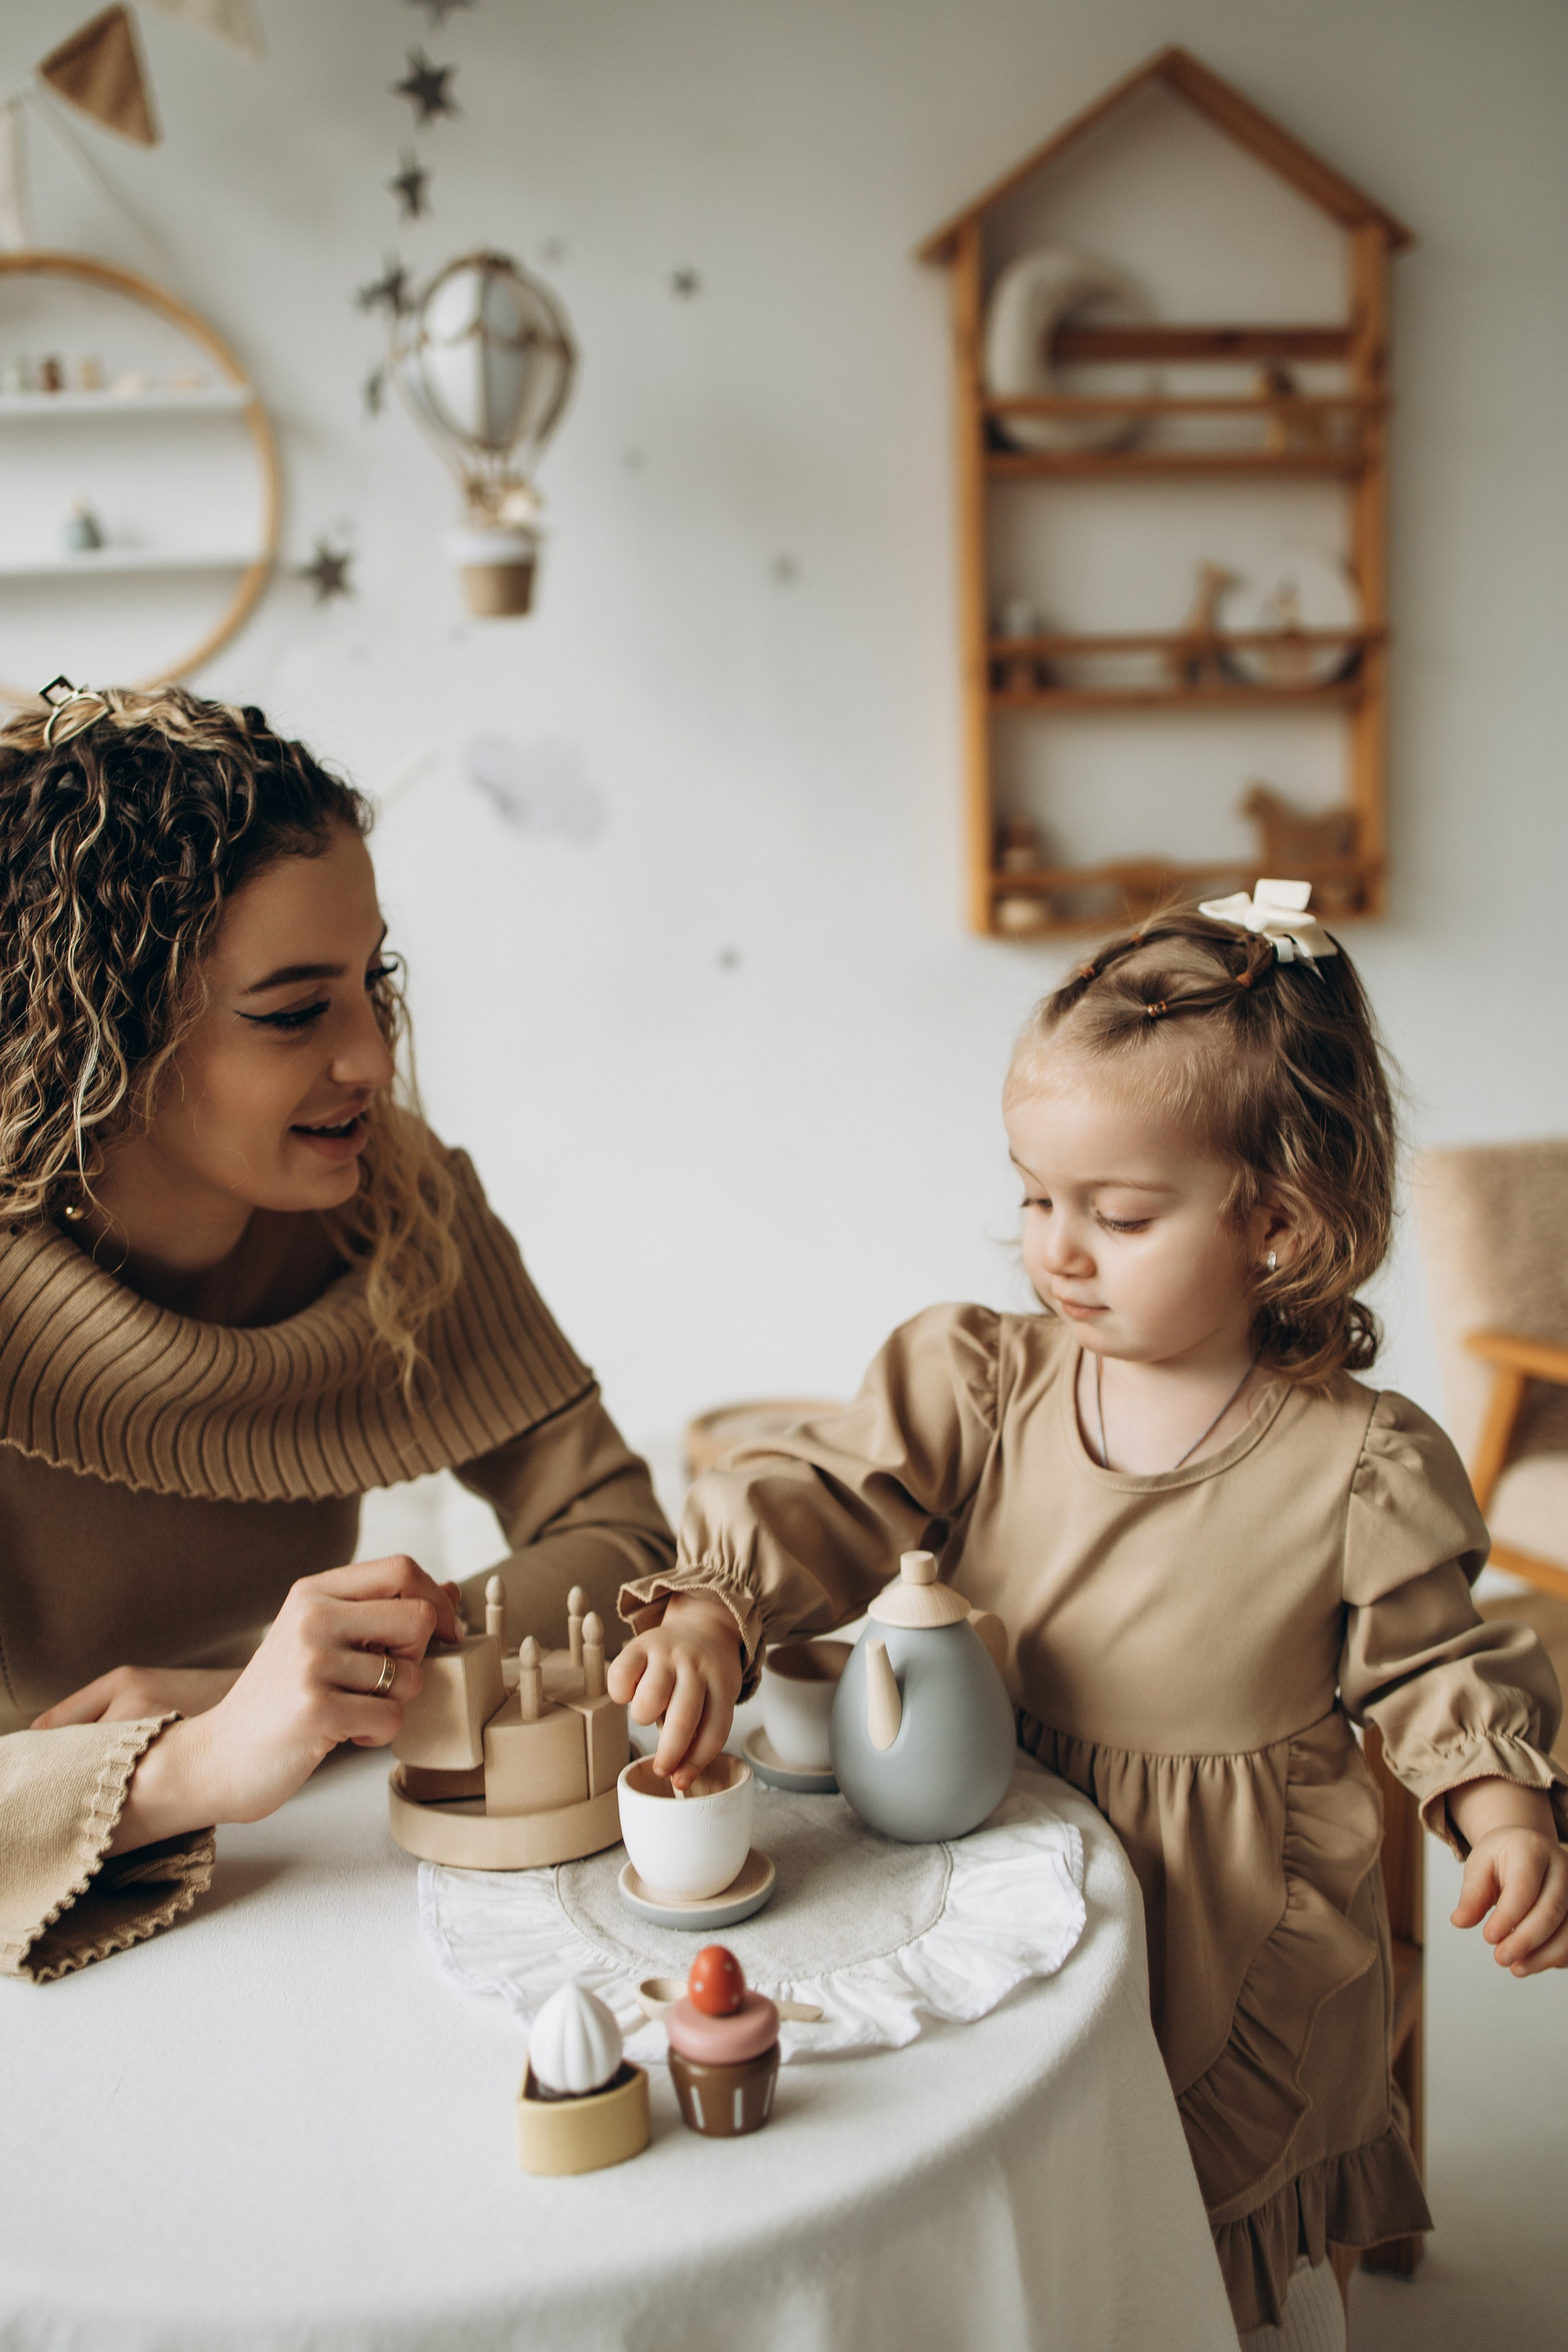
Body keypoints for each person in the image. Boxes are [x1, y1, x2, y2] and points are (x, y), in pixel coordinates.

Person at [609, 891, 1568, 2347]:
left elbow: (1438, 1660)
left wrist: (1501, 1815)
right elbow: (820, 1489)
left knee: (1229, 2247)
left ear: (1276, 1225)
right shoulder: (984, 1380)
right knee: (1040, 2203)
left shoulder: (1355, 1461)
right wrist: (703, 1611)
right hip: (1016, 1844)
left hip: (1231, 1912)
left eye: (1116, 1216)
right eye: (1034, 1197)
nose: (1054, 1249)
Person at [0, 684, 723, 1983]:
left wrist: (280, 1693)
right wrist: (204, 1747)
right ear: (94, 1036)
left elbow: (623, 1546)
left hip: (335, 1888)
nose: (373, 1062)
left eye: (370, 980)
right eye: (293, 1012)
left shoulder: (396, 1204)